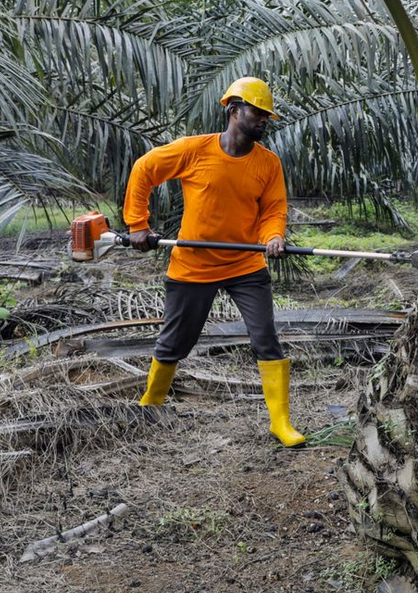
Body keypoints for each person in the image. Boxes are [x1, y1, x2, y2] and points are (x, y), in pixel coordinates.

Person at [122, 76, 305, 447]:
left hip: (245, 264)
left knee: (265, 338)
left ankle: (280, 423)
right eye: (258, 113)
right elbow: (144, 169)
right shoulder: (194, 150)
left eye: (267, 115)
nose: (264, 120)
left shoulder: (268, 164)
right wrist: (137, 225)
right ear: (234, 111)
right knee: (176, 341)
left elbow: (273, 209)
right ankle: (151, 403)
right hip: (194, 264)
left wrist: (272, 236)